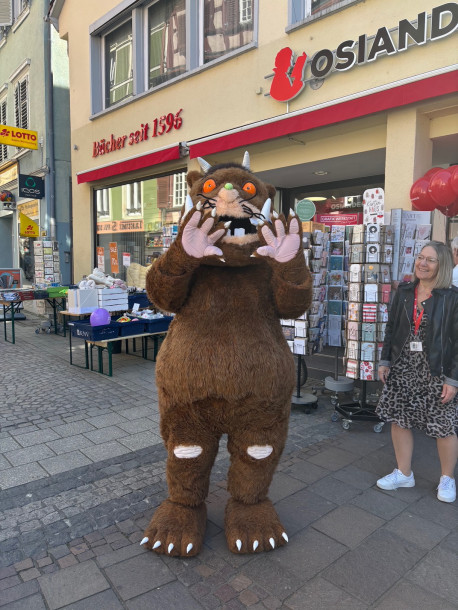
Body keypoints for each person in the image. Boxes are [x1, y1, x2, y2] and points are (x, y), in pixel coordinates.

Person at [376, 241, 458, 503]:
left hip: (436, 370)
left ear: (442, 265)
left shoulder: (452, 298)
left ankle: (447, 478)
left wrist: (453, 379)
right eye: (420, 257)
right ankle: (404, 473)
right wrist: (385, 360)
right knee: (400, 419)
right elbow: (391, 328)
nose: (422, 263)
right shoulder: (404, 291)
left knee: (443, 425)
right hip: (403, 366)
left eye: (430, 260)